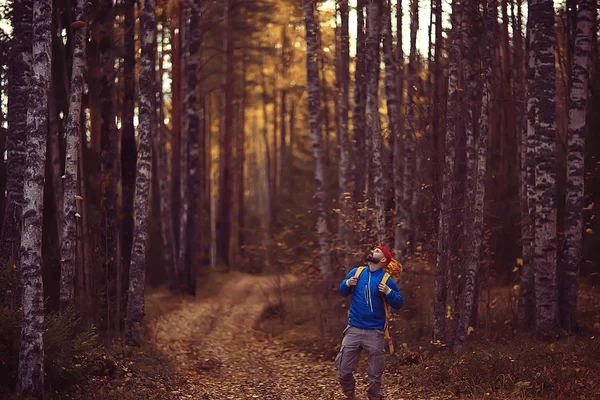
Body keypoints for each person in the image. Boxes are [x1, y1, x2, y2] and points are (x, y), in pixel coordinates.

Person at [335, 246, 404, 400]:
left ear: (383, 260)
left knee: (375, 374)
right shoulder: (357, 272)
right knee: (343, 368)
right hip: (353, 328)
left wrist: (388, 292)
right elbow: (342, 291)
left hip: (375, 332)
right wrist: (347, 283)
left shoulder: (387, 280)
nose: (373, 251)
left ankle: (374, 397)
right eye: (374, 249)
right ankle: (350, 395)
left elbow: (399, 303)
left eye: (377, 251)